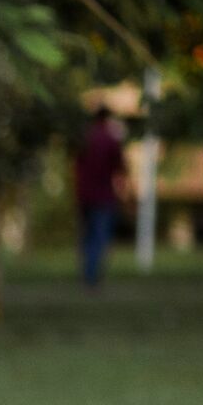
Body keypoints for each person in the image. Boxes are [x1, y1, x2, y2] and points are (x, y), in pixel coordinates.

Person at [75, 106, 127, 288]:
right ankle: (92, 277)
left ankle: (86, 274)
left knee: (87, 236)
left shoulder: (84, 138)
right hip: (103, 195)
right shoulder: (111, 139)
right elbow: (121, 168)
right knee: (100, 237)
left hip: (84, 194)